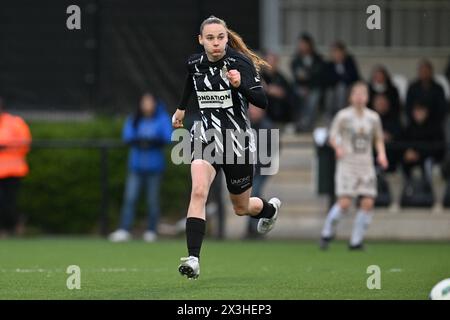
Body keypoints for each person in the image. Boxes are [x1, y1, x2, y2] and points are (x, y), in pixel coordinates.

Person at [172, 16, 281, 279]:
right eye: (210, 38)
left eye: (220, 37)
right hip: (205, 139)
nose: (216, 43)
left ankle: (269, 209)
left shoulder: (239, 62)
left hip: (237, 143)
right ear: (201, 40)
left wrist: (239, 84)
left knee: (241, 208)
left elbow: (262, 100)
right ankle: (193, 259)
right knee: (198, 191)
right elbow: (191, 79)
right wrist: (181, 108)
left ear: (226, 37)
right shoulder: (194, 62)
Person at [320, 82, 388, 250]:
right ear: (351, 97)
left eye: (363, 94)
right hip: (348, 163)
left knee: (368, 202)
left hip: (366, 164)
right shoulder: (343, 116)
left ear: (367, 97)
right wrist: (337, 147)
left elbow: (378, 138)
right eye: (356, 94)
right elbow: (332, 136)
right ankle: (327, 232)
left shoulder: (373, 117)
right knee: (344, 203)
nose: (359, 97)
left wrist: (381, 154)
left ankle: (356, 241)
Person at [109, 92, 172, 242]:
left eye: (150, 102)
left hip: (154, 167)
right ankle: (124, 229)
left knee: (152, 201)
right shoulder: (135, 118)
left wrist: (152, 141)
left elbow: (168, 137)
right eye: (144, 102)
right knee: (130, 198)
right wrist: (140, 141)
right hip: (136, 166)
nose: (146, 105)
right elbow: (128, 136)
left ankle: (151, 231)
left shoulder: (162, 118)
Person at [0, 97, 32, 238]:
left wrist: (5, 146)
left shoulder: (15, 123)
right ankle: (9, 226)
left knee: (8, 202)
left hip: (13, 170)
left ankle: (13, 225)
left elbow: (25, 142)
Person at [245, 104, 275, 238]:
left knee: (254, 194)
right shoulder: (245, 125)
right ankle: (252, 228)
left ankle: (255, 229)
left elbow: (271, 152)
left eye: (255, 109)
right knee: (249, 198)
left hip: (261, 170)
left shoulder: (268, 127)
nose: (252, 111)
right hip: (249, 169)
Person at [400, 101, 445, 183]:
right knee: (403, 162)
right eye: (416, 110)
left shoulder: (435, 127)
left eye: (421, 110)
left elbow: (438, 148)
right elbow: (403, 143)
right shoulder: (409, 127)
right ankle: (408, 189)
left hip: (430, 157)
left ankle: (429, 188)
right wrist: (407, 152)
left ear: (426, 112)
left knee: (428, 163)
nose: (418, 113)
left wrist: (419, 154)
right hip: (413, 159)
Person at [290, 33, 324, 132]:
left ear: (309, 44)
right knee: (298, 94)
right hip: (300, 87)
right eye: (300, 44)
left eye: (304, 44)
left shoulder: (317, 58)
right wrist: (306, 77)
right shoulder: (296, 59)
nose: (302, 46)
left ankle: (308, 124)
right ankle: (301, 123)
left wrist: (307, 77)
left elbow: (317, 76)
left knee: (313, 97)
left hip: (314, 87)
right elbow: (297, 76)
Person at [323, 41, 360, 122]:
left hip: (348, 89)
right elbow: (327, 80)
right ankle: (331, 115)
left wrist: (340, 79)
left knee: (341, 88)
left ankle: (341, 113)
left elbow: (354, 77)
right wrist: (340, 78)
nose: (337, 54)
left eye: (339, 52)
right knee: (331, 92)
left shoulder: (350, 63)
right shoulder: (329, 65)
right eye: (334, 52)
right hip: (333, 90)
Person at [405, 60, 447, 127]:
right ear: (419, 72)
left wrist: (427, 113)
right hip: (415, 121)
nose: (424, 73)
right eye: (422, 71)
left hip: (433, 121)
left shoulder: (438, 88)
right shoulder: (412, 87)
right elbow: (408, 106)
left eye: (426, 71)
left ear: (431, 72)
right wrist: (416, 115)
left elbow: (442, 107)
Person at [261, 52, 294, 127]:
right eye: (269, 61)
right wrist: (269, 90)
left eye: (273, 61)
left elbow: (286, 92)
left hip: (280, 109)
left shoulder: (281, 77)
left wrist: (279, 92)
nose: (271, 64)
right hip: (266, 111)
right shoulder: (260, 76)